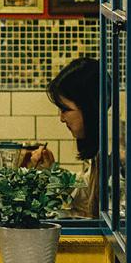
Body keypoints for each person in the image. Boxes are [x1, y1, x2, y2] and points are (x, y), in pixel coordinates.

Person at [42, 57, 100, 218]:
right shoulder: (102, 153)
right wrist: (52, 172)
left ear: (90, 107)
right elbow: (87, 190)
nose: (61, 118)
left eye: (65, 109)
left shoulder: (118, 160)